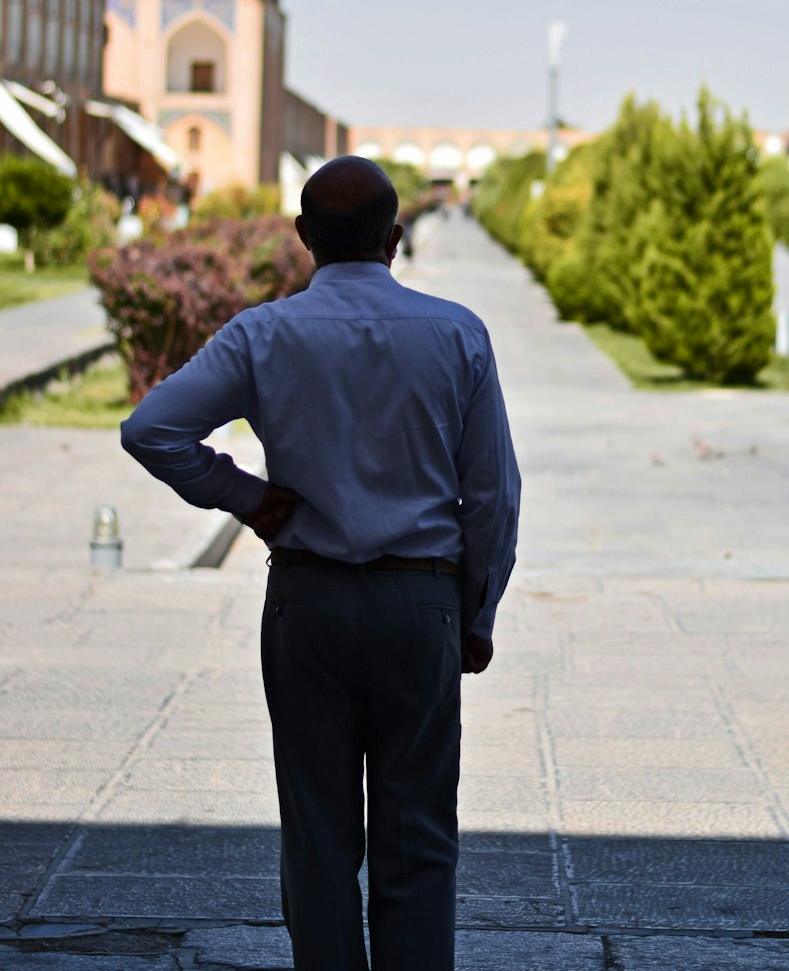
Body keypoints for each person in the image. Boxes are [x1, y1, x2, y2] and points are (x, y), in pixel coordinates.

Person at [121, 157, 521, 970]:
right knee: (418, 837)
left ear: (302, 238)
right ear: (395, 238)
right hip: (421, 604)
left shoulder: (264, 334)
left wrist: (246, 497)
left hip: (309, 604)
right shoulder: (455, 334)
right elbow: (493, 497)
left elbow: (150, 430)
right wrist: (476, 616)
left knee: (316, 833)